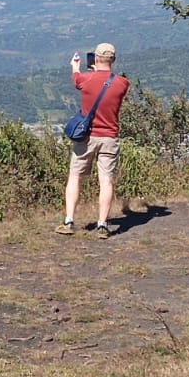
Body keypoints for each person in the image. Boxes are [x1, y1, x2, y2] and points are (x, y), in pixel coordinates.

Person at [56, 42, 129, 238]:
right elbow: (110, 83)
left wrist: (75, 66)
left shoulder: (85, 79)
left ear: (95, 59)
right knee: (106, 181)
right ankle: (103, 225)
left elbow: (76, 79)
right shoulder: (122, 83)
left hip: (87, 137)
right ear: (113, 60)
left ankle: (69, 221)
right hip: (109, 137)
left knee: (75, 176)